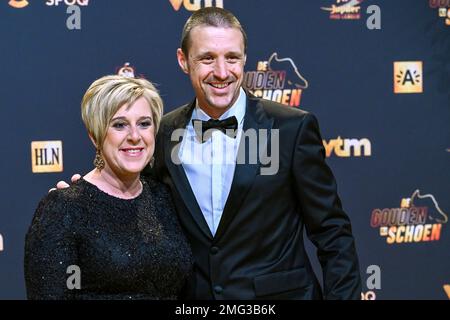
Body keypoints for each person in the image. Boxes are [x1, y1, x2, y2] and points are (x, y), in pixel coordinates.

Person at [58, 7, 362, 300]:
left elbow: (332, 233)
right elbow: (131, 199)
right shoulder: (162, 134)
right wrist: (84, 199)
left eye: (232, 58)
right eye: (207, 58)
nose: (221, 72)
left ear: (244, 59)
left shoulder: (290, 129)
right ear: (183, 60)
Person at [25, 75, 193, 299]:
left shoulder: (164, 197)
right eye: (119, 125)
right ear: (95, 136)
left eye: (144, 123)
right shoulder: (63, 209)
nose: (135, 136)